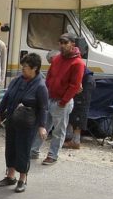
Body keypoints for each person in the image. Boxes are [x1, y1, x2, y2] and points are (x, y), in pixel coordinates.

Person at [0, 53, 48, 193]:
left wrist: (42, 126)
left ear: (35, 68)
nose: (22, 69)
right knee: (10, 147)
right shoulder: (17, 80)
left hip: (27, 123)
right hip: (12, 119)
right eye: (22, 66)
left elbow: (43, 108)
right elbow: (6, 97)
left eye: (25, 67)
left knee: (23, 150)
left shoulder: (40, 86)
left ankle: (22, 179)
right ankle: (10, 176)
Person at [31, 33, 84, 165]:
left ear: (73, 44)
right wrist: (45, 94)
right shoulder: (56, 59)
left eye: (65, 43)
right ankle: (33, 150)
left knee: (58, 130)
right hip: (49, 98)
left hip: (62, 102)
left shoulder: (78, 63)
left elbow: (75, 85)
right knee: (42, 125)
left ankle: (53, 155)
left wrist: (63, 102)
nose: (62, 45)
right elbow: (49, 78)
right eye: (60, 42)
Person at [64, 63, 95, 150]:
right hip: (82, 79)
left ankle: (76, 141)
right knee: (72, 107)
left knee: (80, 108)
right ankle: (68, 136)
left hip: (85, 81)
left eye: (51, 60)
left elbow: (78, 70)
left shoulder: (66, 60)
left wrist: (79, 83)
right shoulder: (61, 60)